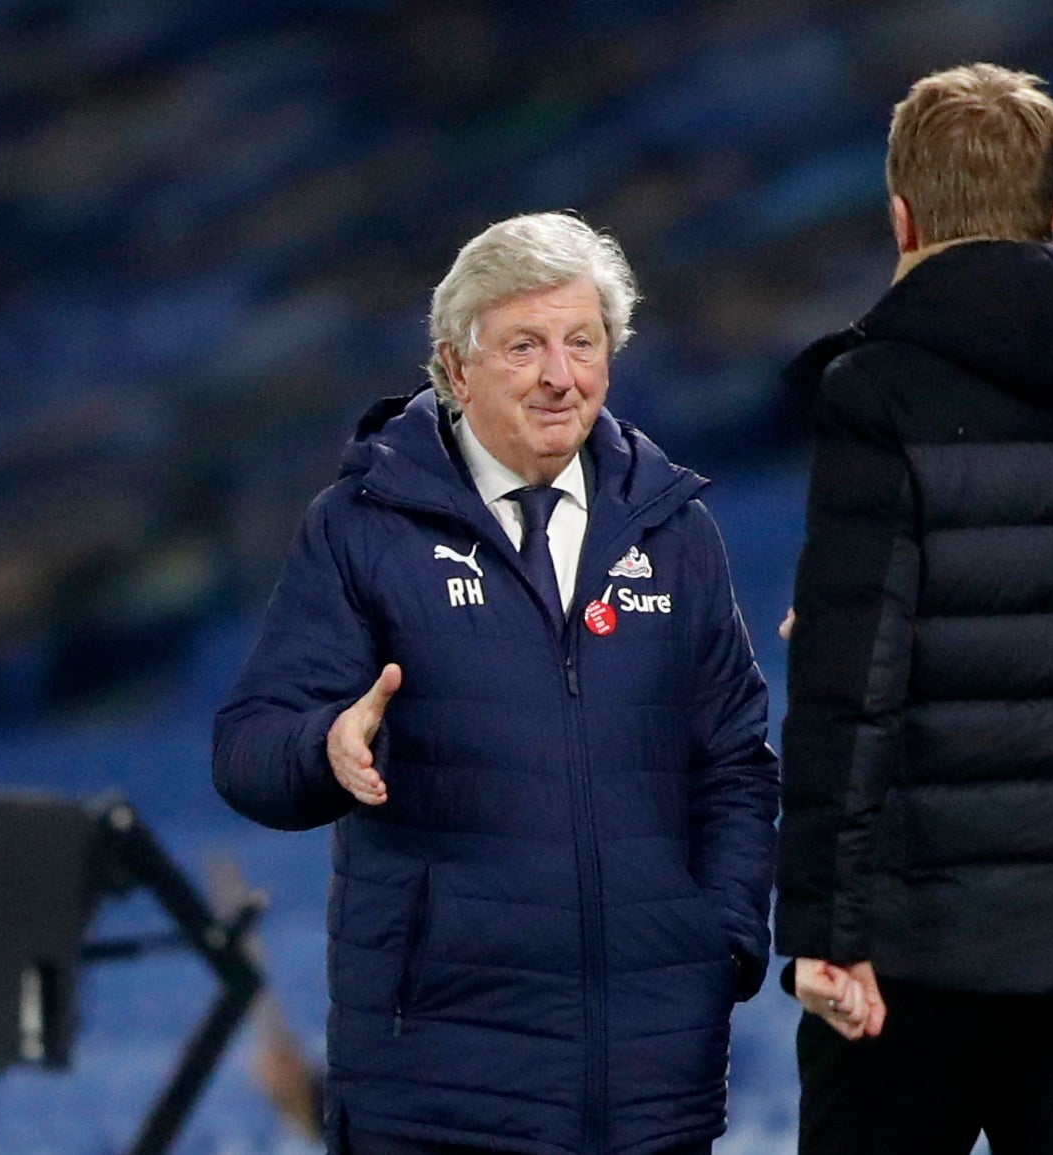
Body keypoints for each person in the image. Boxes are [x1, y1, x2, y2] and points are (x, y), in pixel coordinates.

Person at [213, 212, 781, 1155]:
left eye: (583, 342)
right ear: (454, 365)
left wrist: (717, 942)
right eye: (526, 345)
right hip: (437, 1093)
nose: (562, 375)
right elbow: (245, 749)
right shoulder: (364, 527)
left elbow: (732, 763)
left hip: (648, 1093)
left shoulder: (674, 532)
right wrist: (324, 747)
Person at [775, 64, 1053, 1155]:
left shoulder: (873, 392)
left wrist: (823, 927)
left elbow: (852, 676)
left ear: (902, 216)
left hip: (920, 947)